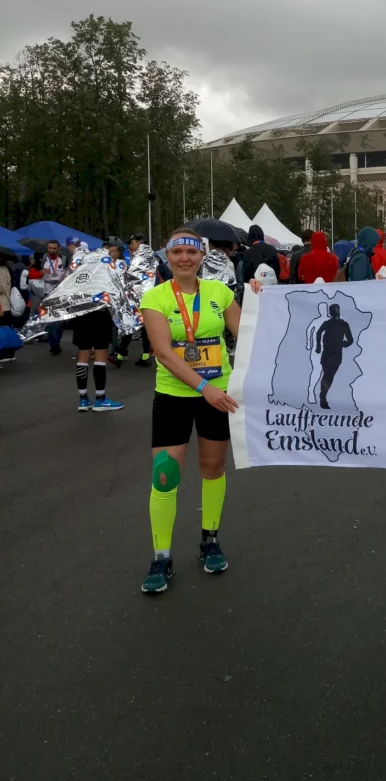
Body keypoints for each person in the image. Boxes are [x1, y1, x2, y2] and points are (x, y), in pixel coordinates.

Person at [138, 228, 242, 594]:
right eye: (177, 251)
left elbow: (247, 332)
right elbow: (163, 353)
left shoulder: (219, 292)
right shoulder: (155, 297)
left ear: (202, 257)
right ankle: (161, 556)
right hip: (175, 395)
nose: (184, 258)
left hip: (219, 394)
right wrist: (204, 388)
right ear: (168, 257)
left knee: (213, 468)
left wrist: (263, 301)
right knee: (164, 476)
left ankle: (209, 540)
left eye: (191, 252)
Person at [71, 237, 127, 412]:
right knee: (100, 355)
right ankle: (100, 399)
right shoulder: (111, 264)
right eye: (119, 252)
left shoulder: (86, 260)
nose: (119, 256)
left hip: (81, 313)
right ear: (114, 249)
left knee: (83, 354)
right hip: (100, 313)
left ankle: (82, 399)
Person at [114, 234, 156, 368]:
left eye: (131, 243)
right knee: (143, 328)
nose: (130, 246)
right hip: (147, 297)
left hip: (138, 298)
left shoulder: (141, 255)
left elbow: (131, 276)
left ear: (138, 242)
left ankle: (120, 355)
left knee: (130, 324)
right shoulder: (150, 255)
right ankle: (144, 357)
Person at [314, 303, 354, 408]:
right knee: (327, 374)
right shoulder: (327, 323)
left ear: (339, 311)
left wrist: (343, 344)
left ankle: (323, 396)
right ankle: (323, 397)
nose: (334, 312)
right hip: (326, 352)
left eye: (335, 310)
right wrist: (318, 346)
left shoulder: (344, 324)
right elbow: (318, 333)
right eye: (332, 310)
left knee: (329, 375)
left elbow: (350, 340)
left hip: (336, 354)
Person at [42, 240, 69, 354]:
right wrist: (40, 272)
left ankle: (56, 341)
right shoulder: (42, 259)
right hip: (47, 294)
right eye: (50, 248)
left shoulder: (64, 260)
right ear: (47, 248)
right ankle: (54, 344)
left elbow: (70, 272)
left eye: (54, 248)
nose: (52, 250)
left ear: (58, 248)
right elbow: (32, 273)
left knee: (59, 321)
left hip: (60, 294)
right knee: (49, 321)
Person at [0, 256, 15, 363]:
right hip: (2, 305)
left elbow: (2, 288)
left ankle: (6, 353)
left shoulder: (2, 270)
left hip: (3, 305)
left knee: (4, 331)